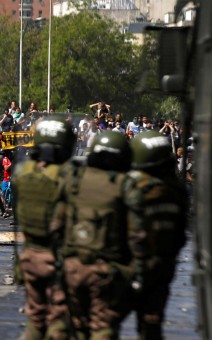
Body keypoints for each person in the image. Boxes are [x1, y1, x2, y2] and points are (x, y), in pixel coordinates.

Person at [50, 131, 134, 340]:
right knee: (102, 326)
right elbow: (137, 234)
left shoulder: (74, 179)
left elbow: (55, 226)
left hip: (72, 267)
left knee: (76, 325)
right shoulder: (125, 185)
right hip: (105, 270)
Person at [13, 117, 75, 339]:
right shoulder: (67, 176)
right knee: (58, 322)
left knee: (35, 319)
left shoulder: (23, 173)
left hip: (30, 256)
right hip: (56, 258)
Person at [125, 131, 187, 339]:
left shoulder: (133, 188)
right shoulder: (177, 191)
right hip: (163, 265)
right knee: (152, 323)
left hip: (133, 265)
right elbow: (180, 235)